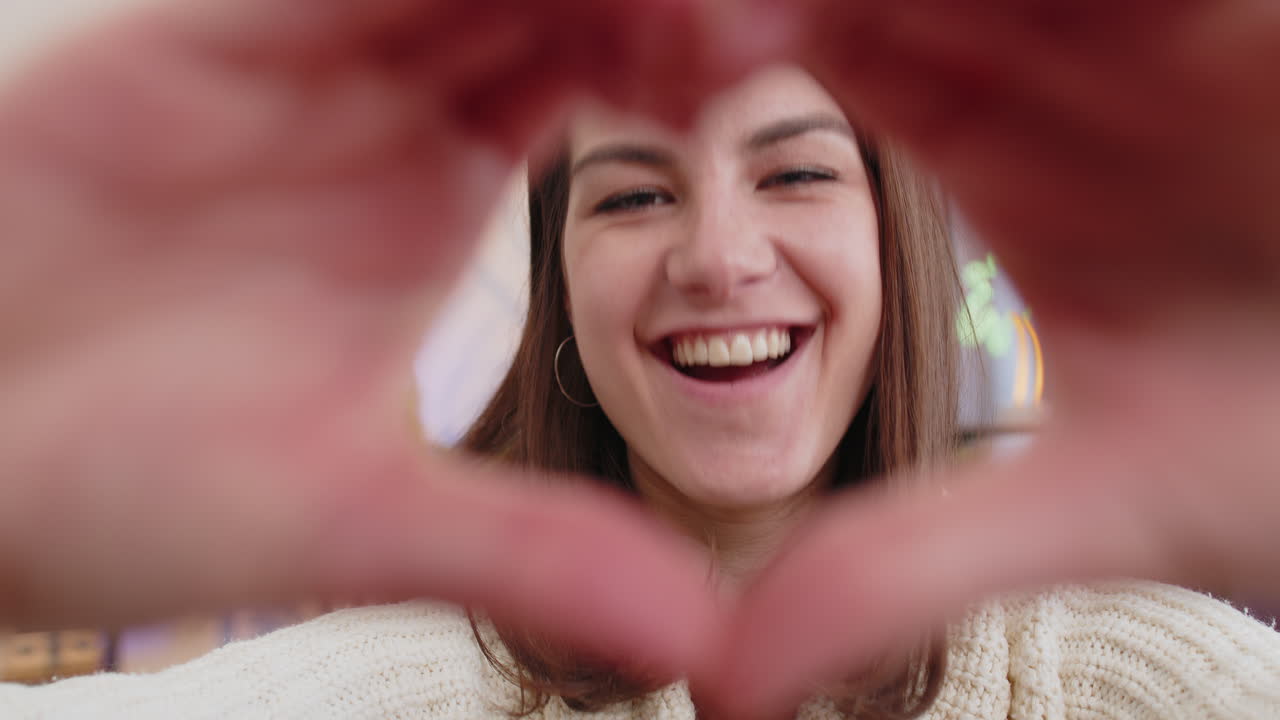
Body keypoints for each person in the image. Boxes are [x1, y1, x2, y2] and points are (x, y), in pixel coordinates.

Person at [0, 0, 1278, 716]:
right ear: (560, 290)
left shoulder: (1106, 676)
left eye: (793, 174)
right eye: (630, 199)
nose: (718, 257)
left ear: (894, 249)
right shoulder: (422, 685)